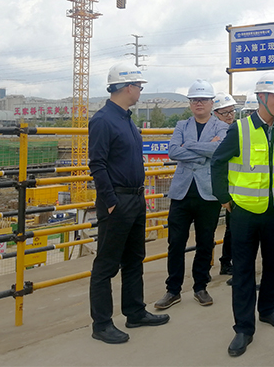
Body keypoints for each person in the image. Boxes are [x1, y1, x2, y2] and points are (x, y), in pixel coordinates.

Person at [211, 72, 274, 357]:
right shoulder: (240, 129)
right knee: (243, 270)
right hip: (244, 212)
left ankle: (268, 309)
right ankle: (243, 328)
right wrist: (224, 198)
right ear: (261, 97)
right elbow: (218, 162)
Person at [88, 64, 169, 344]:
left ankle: (135, 312)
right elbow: (97, 164)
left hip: (135, 198)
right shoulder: (103, 120)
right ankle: (101, 324)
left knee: (134, 259)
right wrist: (111, 202)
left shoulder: (126, 120)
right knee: (106, 264)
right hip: (118, 201)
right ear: (127, 87)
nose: (140, 91)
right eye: (139, 86)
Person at [153, 80, 228, 311]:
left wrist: (190, 146)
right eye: (194, 99)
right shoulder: (181, 125)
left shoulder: (221, 127)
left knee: (205, 241)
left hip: (208, 193)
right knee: (176, 242)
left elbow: (219, 150)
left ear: (211, 103)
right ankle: (173, 290)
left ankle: (200, 286)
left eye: (203, 99)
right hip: (182, 193)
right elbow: (173, 151)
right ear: (190, 103)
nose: (198, 103)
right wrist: (204, 150)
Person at [212, 92, 237, 276]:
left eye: (232, 111)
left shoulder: (238, 130)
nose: (229, 116)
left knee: (232, 228)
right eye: (225, 112)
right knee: (209, 231)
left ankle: (226, 262)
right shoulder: (212, 130)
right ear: (215, 114)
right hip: (215, 186)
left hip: (234, 186)